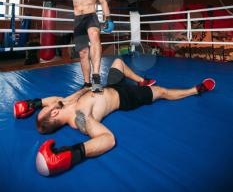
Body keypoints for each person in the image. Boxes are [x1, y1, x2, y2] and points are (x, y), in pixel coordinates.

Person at [13, 58, 215, 177]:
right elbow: (108, 139)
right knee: (160, 91)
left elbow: (51, 100)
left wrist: (32, 105)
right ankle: (194, 90)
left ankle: (142, 80)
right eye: (46, 108)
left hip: (110, 86)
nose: (48, 105)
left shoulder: (63, 102)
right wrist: (71, 154)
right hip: (126, 98)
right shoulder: (80, 118)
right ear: (54, 114)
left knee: (118, 61)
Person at [50, 0, 114, 92]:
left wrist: (109, 19)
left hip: (91, 17)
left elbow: (103, 2)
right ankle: (87, 83)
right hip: (78, 20)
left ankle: (96, 77)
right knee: (83, 52)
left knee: (95, 37)